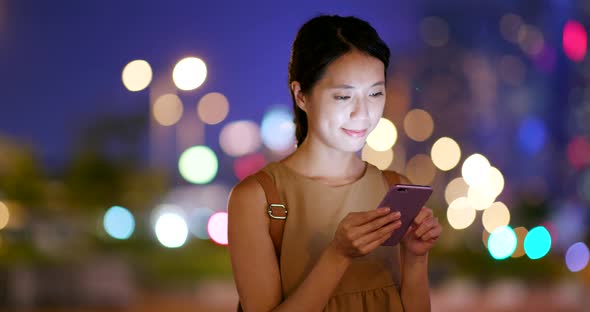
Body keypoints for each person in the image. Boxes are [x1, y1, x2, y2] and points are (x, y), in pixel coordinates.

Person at [228, 14, 442, 311]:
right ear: (301, 95)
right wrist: (338, 255)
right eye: (344, 96)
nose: (363, 114)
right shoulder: (258, 198)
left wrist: (417, 257)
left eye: (376, 94)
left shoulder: (394, 187)